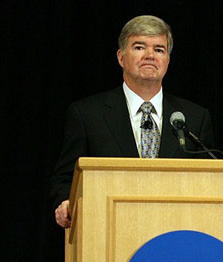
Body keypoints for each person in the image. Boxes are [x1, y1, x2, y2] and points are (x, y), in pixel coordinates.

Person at [51, 15, 214, 228]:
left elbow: (210, 182)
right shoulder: (87, 115)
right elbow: (65, 179)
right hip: (109, 229)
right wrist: (65, 202)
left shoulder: (194, 118)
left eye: (159, 49)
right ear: (121, 57)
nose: (150, 56)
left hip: (176, 233)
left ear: (167, 60)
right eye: (139, 47)